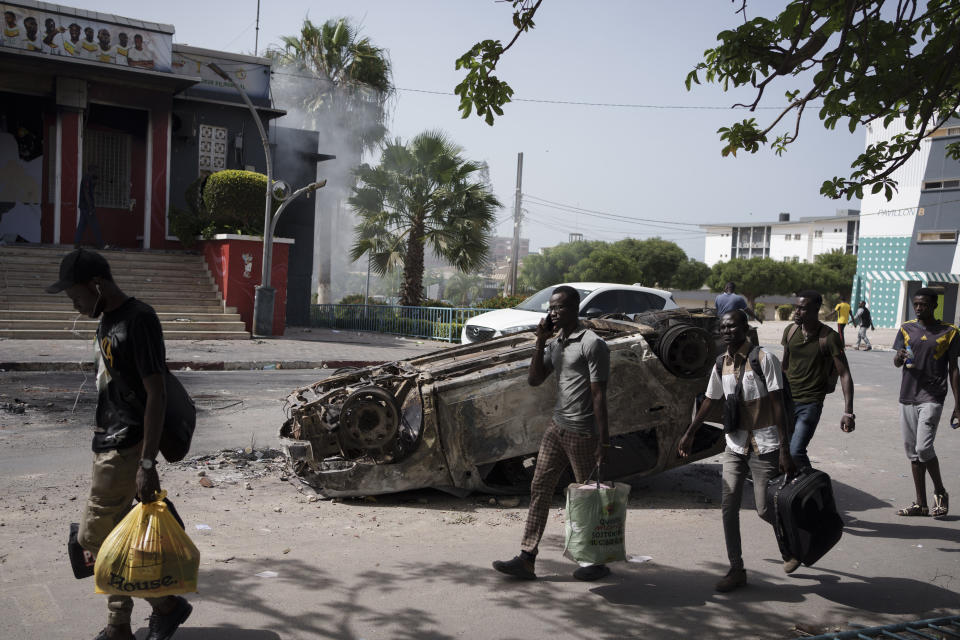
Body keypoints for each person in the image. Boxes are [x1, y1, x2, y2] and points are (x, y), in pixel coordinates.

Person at [46, 249, 193, 640]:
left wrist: (146, 463)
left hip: (125, 445)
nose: (75, 307)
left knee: (93, 539)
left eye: (76, 297)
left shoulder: (139, 320)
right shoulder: (107, 319)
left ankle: (165, 605)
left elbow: (156, 393)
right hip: (109, 440)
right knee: (114, 538)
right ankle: (119, 626)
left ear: (96, 285)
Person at [493, 285, 611, 582]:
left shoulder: (592, 344)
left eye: (559, 308)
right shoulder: (555, 342)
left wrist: (604, 439)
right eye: (551, 308)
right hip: (557, 427)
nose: (553, 313)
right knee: (539, 487)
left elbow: (599, 395)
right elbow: (534, 379)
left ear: (575, 309)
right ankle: (527, 557)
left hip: (583, 432)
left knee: (586, 498)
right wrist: (540, 341)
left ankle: (594, 562)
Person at [679, 310, 797, 592]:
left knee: (764, 507)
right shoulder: (722, 363)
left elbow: (779, 404)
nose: (728, 331)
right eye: (723, 327)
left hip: (765, 444)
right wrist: (690, 432)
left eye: (733, 326)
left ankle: (792, 541)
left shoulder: (764, 359)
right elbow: (709, 400)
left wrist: (784, 448)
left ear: (745, 328)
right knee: (728, 506)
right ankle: (736, 569)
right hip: (734, 445)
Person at [892, 288, 959, 518]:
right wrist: (899, 357)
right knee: (913, 453)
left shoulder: (949, 332)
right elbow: (896, 362)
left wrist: (958, 405)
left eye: (923, 304)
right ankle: (920, 504)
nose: (919, 308)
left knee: (923, 448)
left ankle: (940, 493)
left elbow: (954, 369)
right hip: (907, 396)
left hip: (932, 397)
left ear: (934, 306)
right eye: (916, 304)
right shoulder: (906, 328)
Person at [781, 290, 855, 469]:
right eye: (796, 308)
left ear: (816, 309)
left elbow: (844, 374)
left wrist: (848, 412)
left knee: (796, 451)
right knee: (783, 452)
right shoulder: (790, 331)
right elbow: (784, 367)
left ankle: (815, 489)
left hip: (810, 403)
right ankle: (794, 492)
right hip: (787, 402)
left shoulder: (829, 337)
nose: (797, 312)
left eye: (803, 309)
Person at [75, 166, 104, 249]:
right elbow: (86, 193)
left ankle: (77, 243)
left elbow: (89, 191)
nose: (96, 173)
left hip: (83, 206)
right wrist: (90, 207)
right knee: (95, 225)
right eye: (96, 171)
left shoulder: (87, 179)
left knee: (82, 225)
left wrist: (96, 192)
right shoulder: (87, 178)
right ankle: (100, 244)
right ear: (92, 170)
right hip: (87, 207)